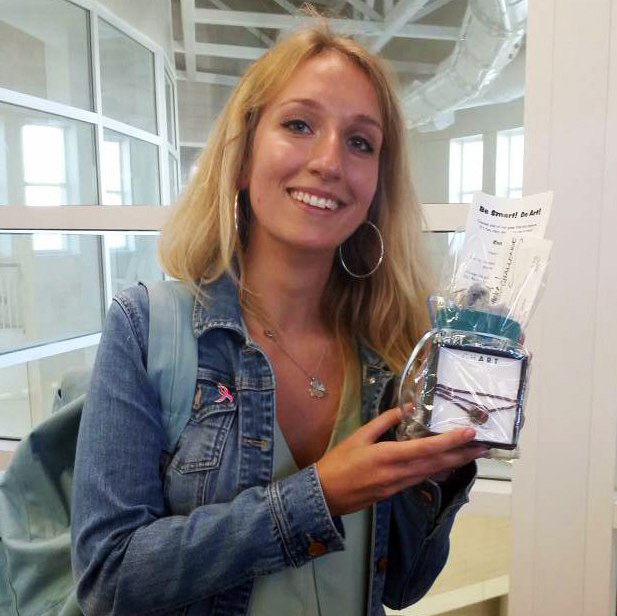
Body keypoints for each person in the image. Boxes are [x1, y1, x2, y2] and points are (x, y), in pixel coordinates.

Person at [71, 23, 486, 616]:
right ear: (242, 156)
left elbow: (402, 586)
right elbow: (108, 578)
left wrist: (444, 466)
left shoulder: (392, 355)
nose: (328, 162)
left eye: (361, 143)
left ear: (376, 187)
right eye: (298, 125)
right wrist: (317, 498)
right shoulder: (145, 329)